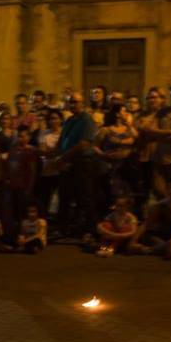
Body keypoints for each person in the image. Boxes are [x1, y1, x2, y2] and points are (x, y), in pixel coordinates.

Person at [55, 91, 100, 238]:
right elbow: (62, 141)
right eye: (70, 102)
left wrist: (63, 158)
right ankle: (63, 228)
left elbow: (83, 144)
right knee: (64, 196)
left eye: (75, 101)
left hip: (82, 163)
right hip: (69, 162)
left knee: (85, 197)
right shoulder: (69, 121)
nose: (73, 104)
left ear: (82, 103)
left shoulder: (87, 120)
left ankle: (91, 231)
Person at [35, 111, 63, 218]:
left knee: (60, 199)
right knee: (44, 198)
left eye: (56, 118)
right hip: (46, 171)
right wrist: (55, 152)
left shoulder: (64, 133)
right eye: (51, 118)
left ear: (60, 119)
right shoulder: (44, 133)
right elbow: (42, 151)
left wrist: (50, 152)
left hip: (60, 170)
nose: (53, 121)